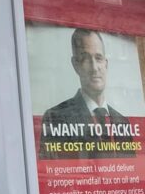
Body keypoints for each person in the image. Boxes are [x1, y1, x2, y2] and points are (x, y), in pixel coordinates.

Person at [39, 29, 133, 159]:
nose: (94, 67)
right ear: (75, 65)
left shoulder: (122, 122)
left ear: (106, 64)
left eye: (98, 58)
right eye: (86, 59)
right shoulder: (55, 118)